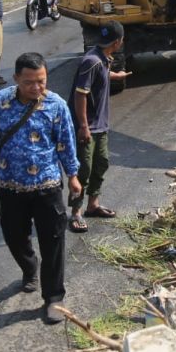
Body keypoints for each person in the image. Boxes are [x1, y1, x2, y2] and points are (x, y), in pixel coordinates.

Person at [0, 52, 80, 324]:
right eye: (29, 83)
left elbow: (66, 143)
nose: (36, 88)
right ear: (16, 80)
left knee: (54, 242)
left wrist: (73, 175)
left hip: (47, 186)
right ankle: (29, 266)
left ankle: (54, 298)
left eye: (41, 81)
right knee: (14, 236)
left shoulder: (56, 105)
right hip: (10, 187)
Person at [68, 21, 130, 233]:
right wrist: (83, 126)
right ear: (117, 42)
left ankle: (93, 205)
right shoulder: (92, 61)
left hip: (100, 125)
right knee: (83, 169)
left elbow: (102, 75)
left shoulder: (104, 58)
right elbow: (80, 94)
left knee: (101, 163)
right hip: (87, 127)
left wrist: (116, 76)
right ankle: (75, 212)